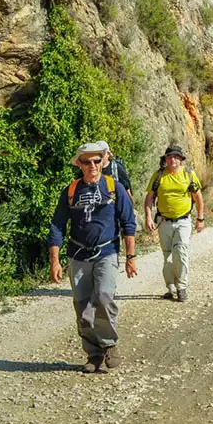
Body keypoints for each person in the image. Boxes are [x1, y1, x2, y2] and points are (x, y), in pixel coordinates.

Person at [48, 142, 137, 374]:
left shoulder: (113, 187)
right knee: (82, 308)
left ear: (103, 161)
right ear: (79, 164)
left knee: (104, 297)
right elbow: (57, 226)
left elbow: (128, 222)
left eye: (97, 160)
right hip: (77, 255)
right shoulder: (70, 191)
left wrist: (131, 256)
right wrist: (55, 261)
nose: (92, 166)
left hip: (106, 252)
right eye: (87, 161)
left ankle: (109, 344)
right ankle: (93, 354)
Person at [143, 145, 204, 303]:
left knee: (181, 252)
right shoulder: (159, 176)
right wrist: (148, 217)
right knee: (168, 257)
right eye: (170, 157)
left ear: (181, 159)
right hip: (164, 222)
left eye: (176, 157)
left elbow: (198, 197)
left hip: (183, 221)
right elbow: (150, 198)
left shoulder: (189, 175)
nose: (173, 160)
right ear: (166, 159)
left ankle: (182, 287)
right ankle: (171, 288)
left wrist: (200, 219)